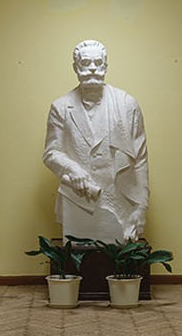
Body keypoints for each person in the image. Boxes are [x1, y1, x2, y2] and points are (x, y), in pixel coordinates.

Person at [42, 40, 148, 242]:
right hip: (79, 200)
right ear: (76, 67)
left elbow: (140, 160)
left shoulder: (127, 105)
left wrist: (141, 207)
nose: (92, 68)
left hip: (120, 203)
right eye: (85, 62)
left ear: (105, 66)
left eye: (98, 62)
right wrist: (72, 169)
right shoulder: (61, 107)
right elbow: (51, 153)